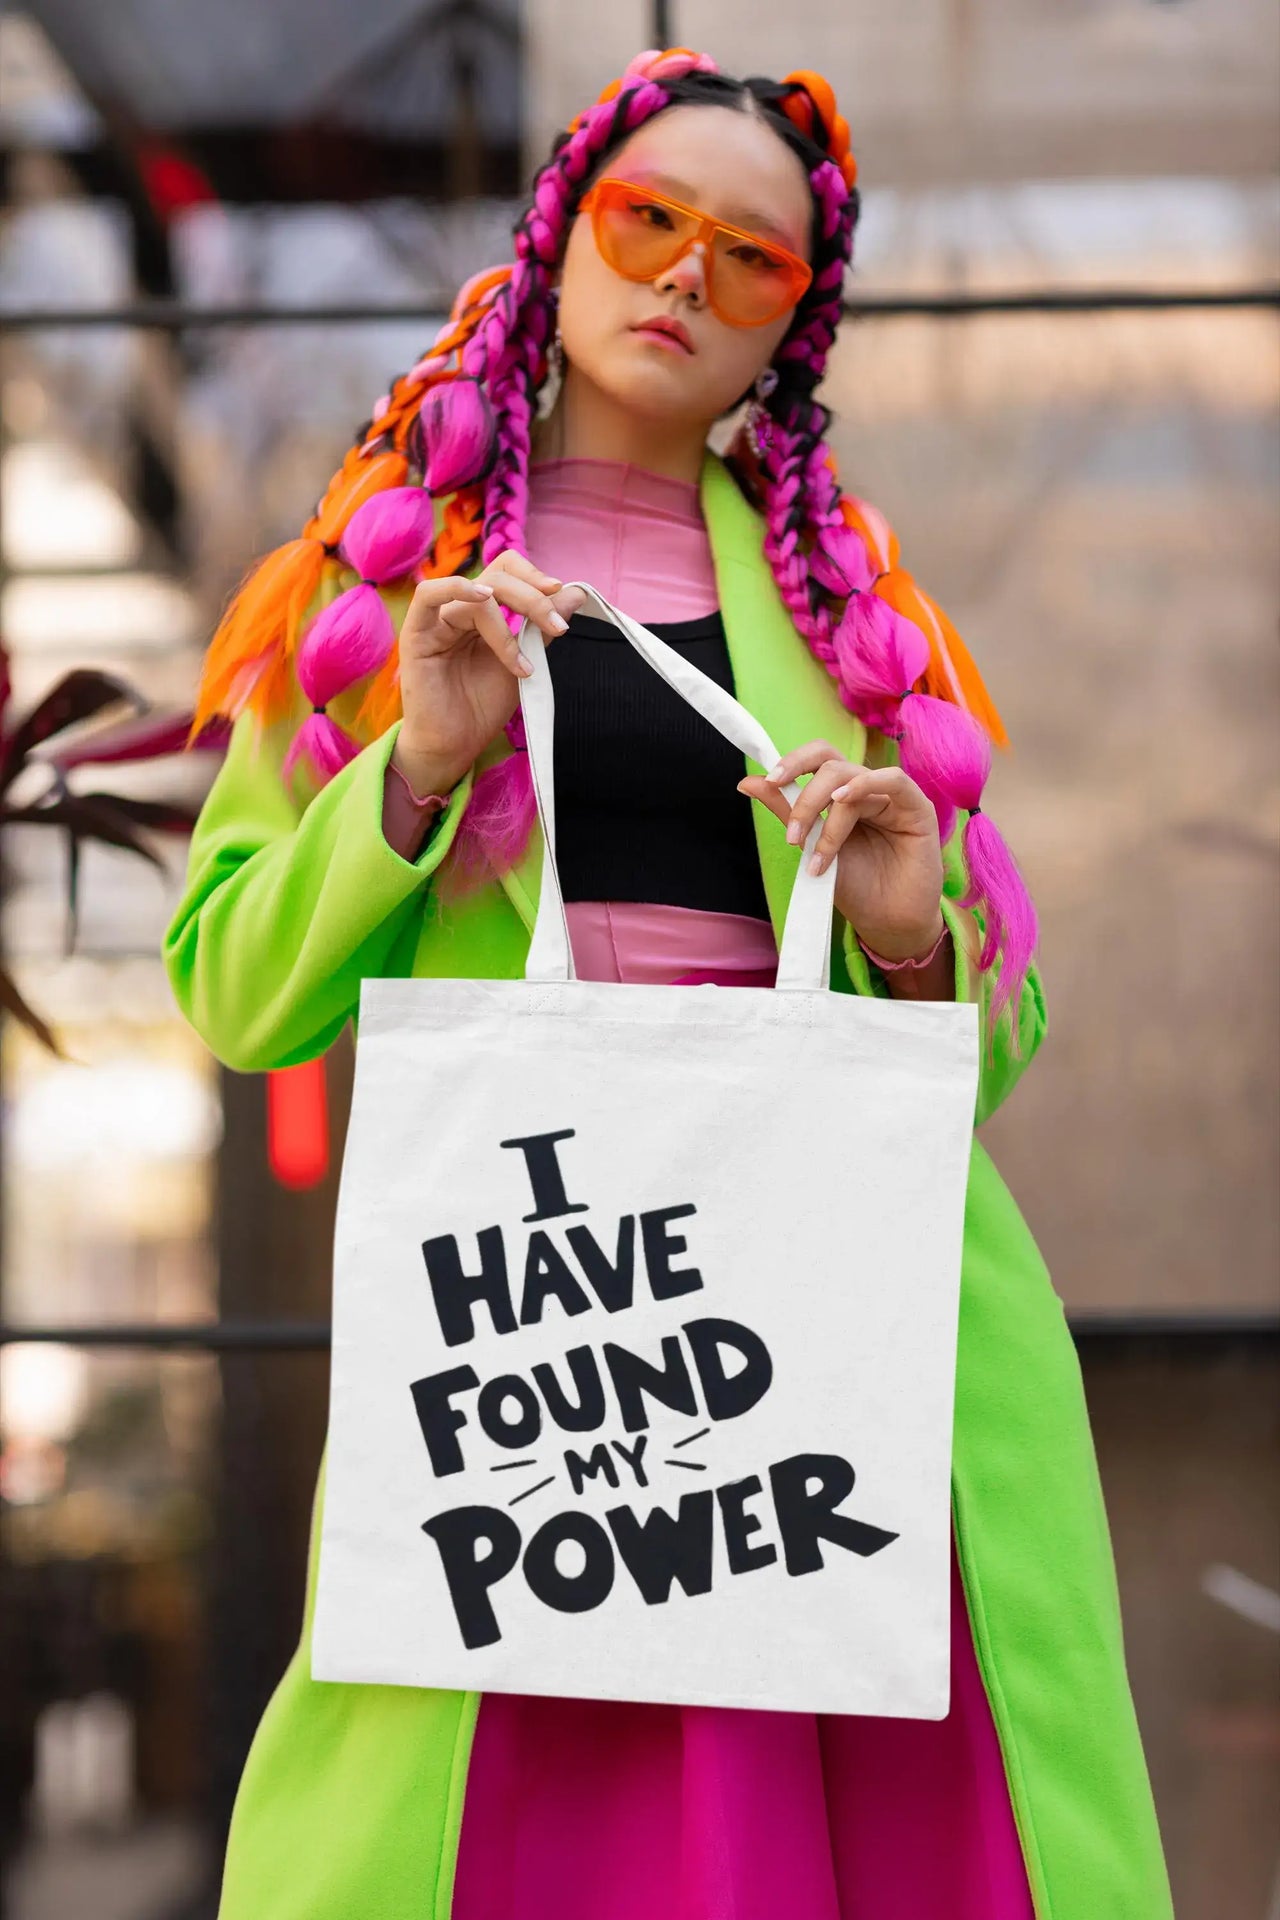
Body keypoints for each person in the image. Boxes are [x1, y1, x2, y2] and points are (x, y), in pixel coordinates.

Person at [164, 47, 1173, 1920]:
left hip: (843, 1339)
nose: (689, 277)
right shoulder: (378, 600)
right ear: (558, 242)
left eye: (754, 258)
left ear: (798, 323)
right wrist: (414, 769)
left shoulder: (861, 621)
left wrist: (901, 933)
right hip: (552, 1336)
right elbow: (234, 993)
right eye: (649, 221)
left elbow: (995, 1051)